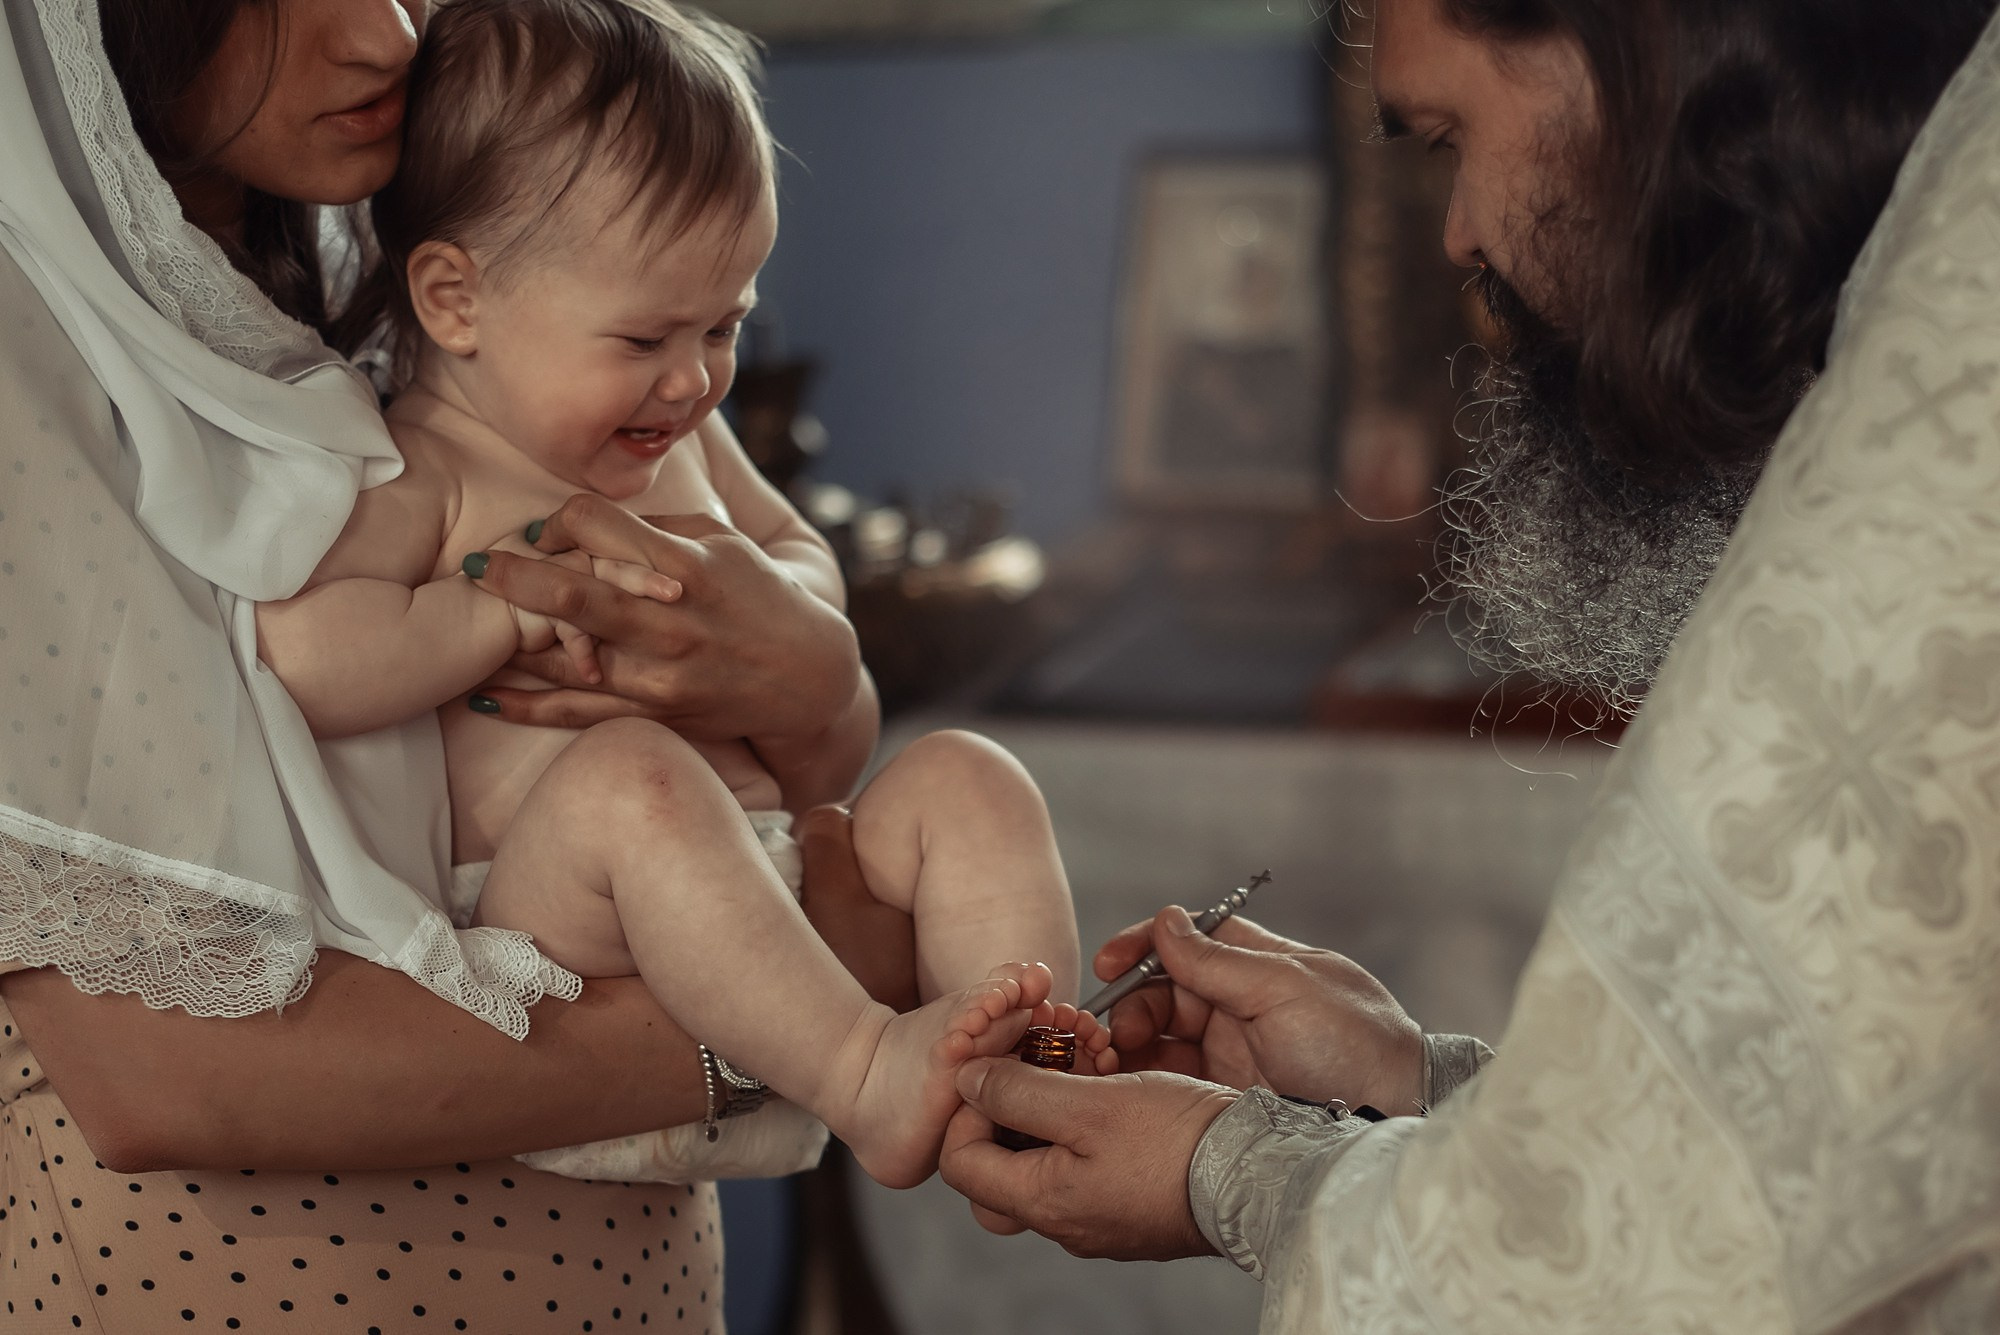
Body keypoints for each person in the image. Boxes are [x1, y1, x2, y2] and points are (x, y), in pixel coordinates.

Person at [936, 0, 2000, 1328]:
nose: (1453, 235)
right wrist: (1414, 1078)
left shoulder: (1929, 486)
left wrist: (1225, 1167)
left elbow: (1600, 1281)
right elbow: (1790, 1166)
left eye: (1447, 136)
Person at [0, 0, 903, 1329]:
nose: (385, 33)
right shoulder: (30, 356)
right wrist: (819, 1027)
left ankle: (1045, 1056)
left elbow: (820, 730)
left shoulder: (503, 233)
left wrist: (814, 676)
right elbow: (161, 1077)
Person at [255, 0, 1104, 1192]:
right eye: (646, 337)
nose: (695, 379)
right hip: (572, 951)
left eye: (725, 324)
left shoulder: (683, 445)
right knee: (631, 777)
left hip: (773, 916)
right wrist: (501, 608)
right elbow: (305, 655)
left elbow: (799, 557)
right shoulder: (426, 472)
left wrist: (772, 600)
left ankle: (1025, 1087)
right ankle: (868, 1073)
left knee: (972, 773)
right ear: (455, 301)